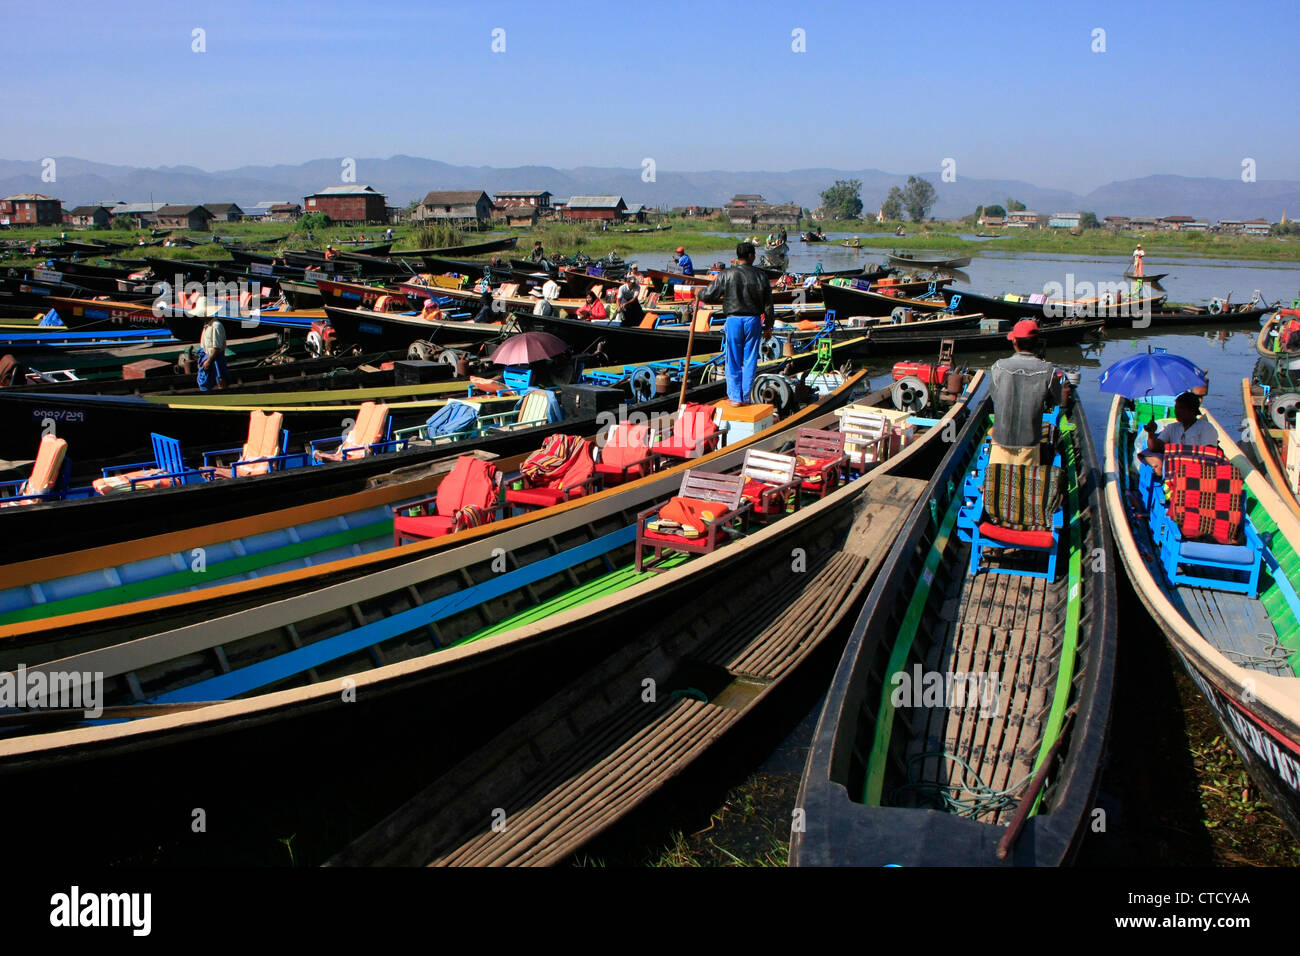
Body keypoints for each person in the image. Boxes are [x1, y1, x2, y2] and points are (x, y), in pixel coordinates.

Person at [698, 241, 775, 406]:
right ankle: (745, 397)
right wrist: (769, 326)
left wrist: (699, 293)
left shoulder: (727, 274)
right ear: (751, 256)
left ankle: (735, 398)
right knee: (749, 360)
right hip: (753, 321)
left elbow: (710, 295)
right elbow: (768, 304)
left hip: (733, 320)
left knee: (732, 359)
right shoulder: (761, 276)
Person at [988, 320, 1064, 465]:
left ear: (1015, 341)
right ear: (1036, 343)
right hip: (1029, 441)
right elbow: (1056, 400)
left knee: (997, 475)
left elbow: (995, 397)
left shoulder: (998, 366)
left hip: (1001, 438)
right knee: (1025, 481)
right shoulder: (1048, 370)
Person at [1138, 392, 1218, 475]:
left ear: (1192, 410)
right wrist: (1151, 434)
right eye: (1176, 408)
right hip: (1175, 470)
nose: (1177, 412)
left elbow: (1209, 455)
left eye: (1181, 409)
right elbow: (1154, 448)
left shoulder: (1206, 428)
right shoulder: (1172, 427)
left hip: (1197, 471)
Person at [197, 314, 228, 392]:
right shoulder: (206, 326)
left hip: (216, 357)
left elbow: (217, 348)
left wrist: (209, 361)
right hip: (209, 356)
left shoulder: (216, 326)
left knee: (220, 379)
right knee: (208, 380)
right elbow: (204, 346)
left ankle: (224, 396)